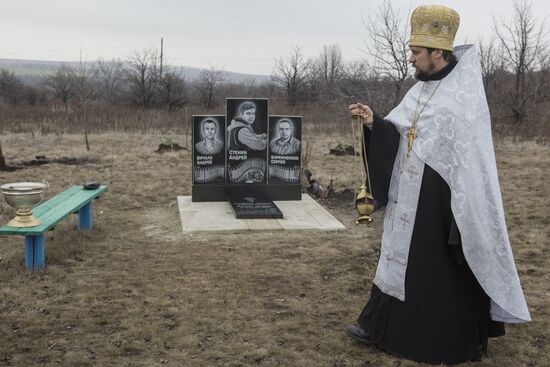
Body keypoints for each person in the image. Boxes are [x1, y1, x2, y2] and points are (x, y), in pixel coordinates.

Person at [346, 5, 530, 365]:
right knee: (397, 261)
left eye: (417, 52)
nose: (411, 58)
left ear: (437, 52)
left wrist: (456, 209)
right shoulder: (419, 91)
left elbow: (470, 162)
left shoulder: (463, 99)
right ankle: (381, 326)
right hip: (408, 199)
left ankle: (437, 339)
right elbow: (400, 133)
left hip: (442, 204)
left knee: (434, 270)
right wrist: (374, 123)